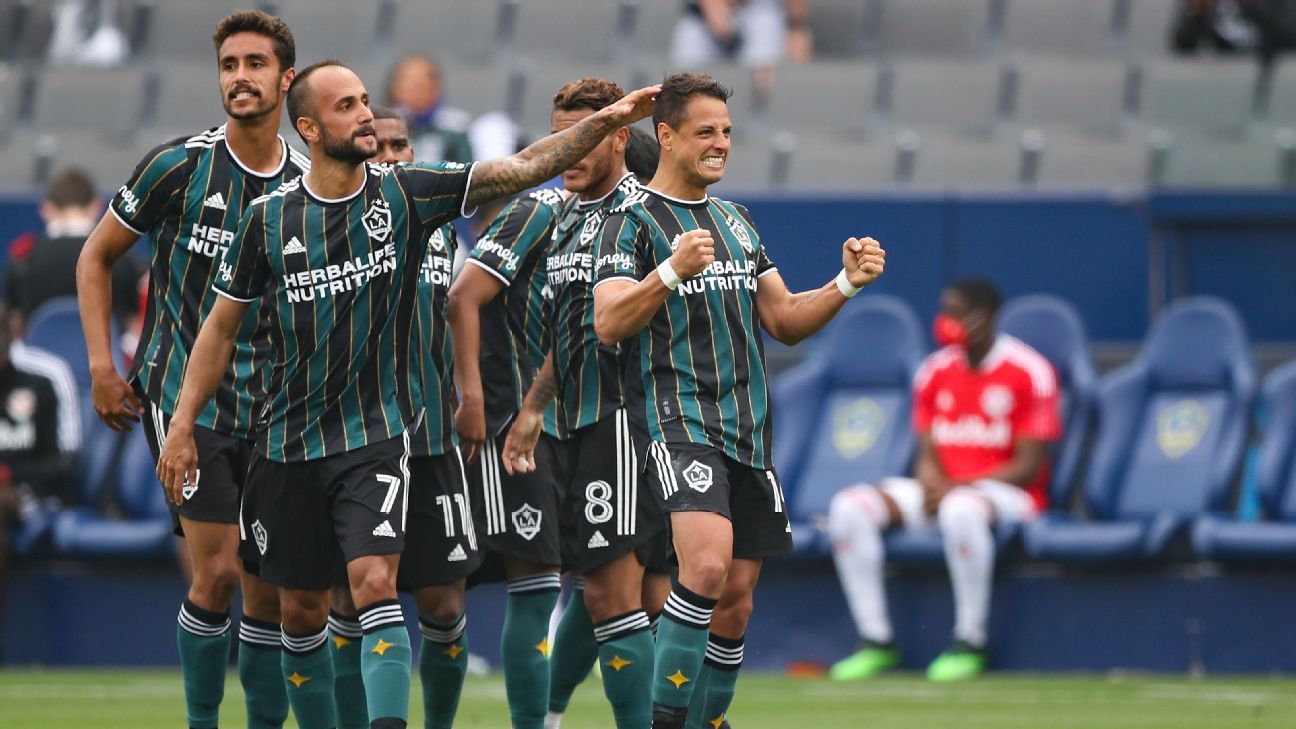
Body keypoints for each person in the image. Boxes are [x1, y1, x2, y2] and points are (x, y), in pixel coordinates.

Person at [156, 59, 658, 729]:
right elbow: (219, 329)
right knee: (301, 610)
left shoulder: (407, 194)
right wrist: (184, 422)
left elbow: (523, 167)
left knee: (377, 587)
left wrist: (609, 120)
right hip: (286, 443)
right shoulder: (268, 220)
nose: (366, 115)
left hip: (379, 440)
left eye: (366, 101)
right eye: (347, 106)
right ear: (307, 126)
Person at [592, 72, 886, 729]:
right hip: (678, 421)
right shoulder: (628, 221)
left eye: (726, 132)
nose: (721, 143)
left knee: (737, 601)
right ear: (666, 137)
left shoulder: (735, 220)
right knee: (705, 563)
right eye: (706, 132)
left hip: (748, 425)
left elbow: (781, 317)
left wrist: (846, 283)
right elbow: (609, 320)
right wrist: (668, 272)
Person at [75, 11, 307, 729]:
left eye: (255, 64)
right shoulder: (178, 166)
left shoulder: (308, 184)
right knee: (217, 570)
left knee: (270, 592)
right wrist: (102, 366)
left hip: (271, 408)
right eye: (230, 65)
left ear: (285, 78)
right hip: (185, 400)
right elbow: (95, 257)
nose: (240, 77)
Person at [496, 79, 671, 729]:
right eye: (563, 134)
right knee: (613, 592)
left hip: (626, 420)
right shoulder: (567, 216)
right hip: (573, 424)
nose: (568, 150)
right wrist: (535, 405)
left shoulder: (643, 210)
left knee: (617, 593)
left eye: (587, 136)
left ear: (620, 137)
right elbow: (568, 333)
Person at [323, 105, 483, 729]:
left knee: (444, 602)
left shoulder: (443, 228)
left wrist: (470, 395)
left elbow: (460, 313)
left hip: (434, 439)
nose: (391, 155)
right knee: (352, 595)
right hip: (356, 437)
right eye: (379, 146)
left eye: (401, 145)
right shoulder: (337, 225)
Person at [827, 278, 1060, 682]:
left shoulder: (1029, 371)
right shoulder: (934, 371)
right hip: (946, 492)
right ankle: (876, 641)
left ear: (983, 317)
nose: (945, 321)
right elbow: (926, 452)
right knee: (849, 507)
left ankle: (971, 641)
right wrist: (933, 483)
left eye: (954, 312)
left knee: (960, 509)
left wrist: (957, 488)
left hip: (1012, 497)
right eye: (943, 311)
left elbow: (1027, 466)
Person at [445, 119, 570, 729]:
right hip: (511, 420)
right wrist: (476, 401)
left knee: (610, 587)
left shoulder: (617, 218)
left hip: (584, 425)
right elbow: (463, 300)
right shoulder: (534, 212)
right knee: (530, 576)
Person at [0, 303, 75, 661]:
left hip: (36, 497)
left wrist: (11, 477)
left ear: (9, 335)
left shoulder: (45, 377)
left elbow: (67, 462)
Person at [6, 167, 141, 338]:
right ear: (96, 207)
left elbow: (15, 326)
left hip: (38, 361)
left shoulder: (23, 261)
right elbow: (132, 326)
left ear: (46, 209)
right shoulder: (121, 258)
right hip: (104, 361)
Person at [385, 53, 475, 164]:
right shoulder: (385, 127)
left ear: (435, 88)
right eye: (410, 85)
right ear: (396, 90)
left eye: (420, 85)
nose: (416, 92)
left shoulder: (455, 127)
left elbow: (466, 171)